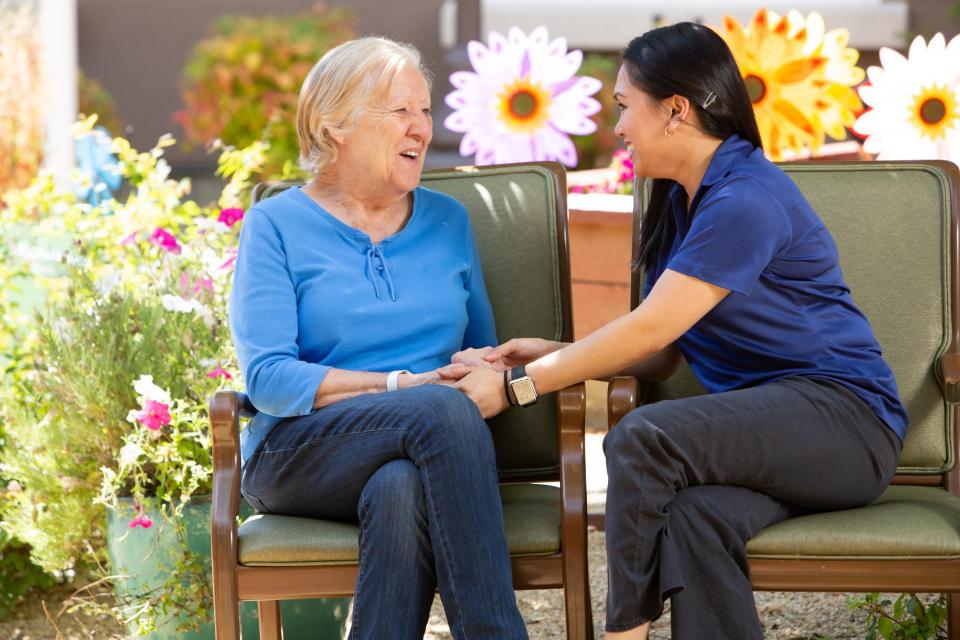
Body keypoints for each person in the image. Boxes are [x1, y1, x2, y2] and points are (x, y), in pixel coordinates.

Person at [441, 22, 906, 640]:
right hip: (776, 431)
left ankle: (623, 635)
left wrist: (521, 385)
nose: (617, 128)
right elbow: (660, 351)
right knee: (694, 517)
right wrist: (556, 352)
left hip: (846, 423)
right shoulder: (685, 202)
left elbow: (650, 328)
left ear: (675, 111)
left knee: (642, 436)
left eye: (625, 107)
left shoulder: (745, 198)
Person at [229, 37, 528, 640]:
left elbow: (482, 352)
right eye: (400, 111)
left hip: (426, 451)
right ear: (335, 125)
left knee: (400, 488)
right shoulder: (276, 225)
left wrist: (479, 367)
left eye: (425, 109)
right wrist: (402, 387)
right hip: (300, 451)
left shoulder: (449, 221)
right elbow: (267, 378)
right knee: (438, 414)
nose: (421, 126)